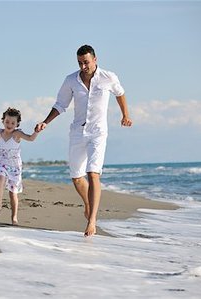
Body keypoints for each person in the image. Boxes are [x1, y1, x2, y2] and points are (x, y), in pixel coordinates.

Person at [35, 45, 132, 236]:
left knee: (93, 173)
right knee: (76, 177)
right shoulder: (71, 80)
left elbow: (120, 93)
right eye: (80, 63)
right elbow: (61, 104)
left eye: (86, 62)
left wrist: (125, 115)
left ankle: (92, 220)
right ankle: (88, 203)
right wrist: (45, 122)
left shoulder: (108, 77)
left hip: (98, 132)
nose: (83, 66)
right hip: (78, 132)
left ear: (95, 59)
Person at [0, 107, 38, 225]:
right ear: (3, 121)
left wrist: (37, 131)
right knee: (0, 179)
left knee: (13, 193)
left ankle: (14, 217)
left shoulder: (17, 134)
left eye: (13, 123)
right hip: (1, 161)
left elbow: (31, 138)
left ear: (17, 124)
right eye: (7, 121)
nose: (9, 124)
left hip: (14, 166)